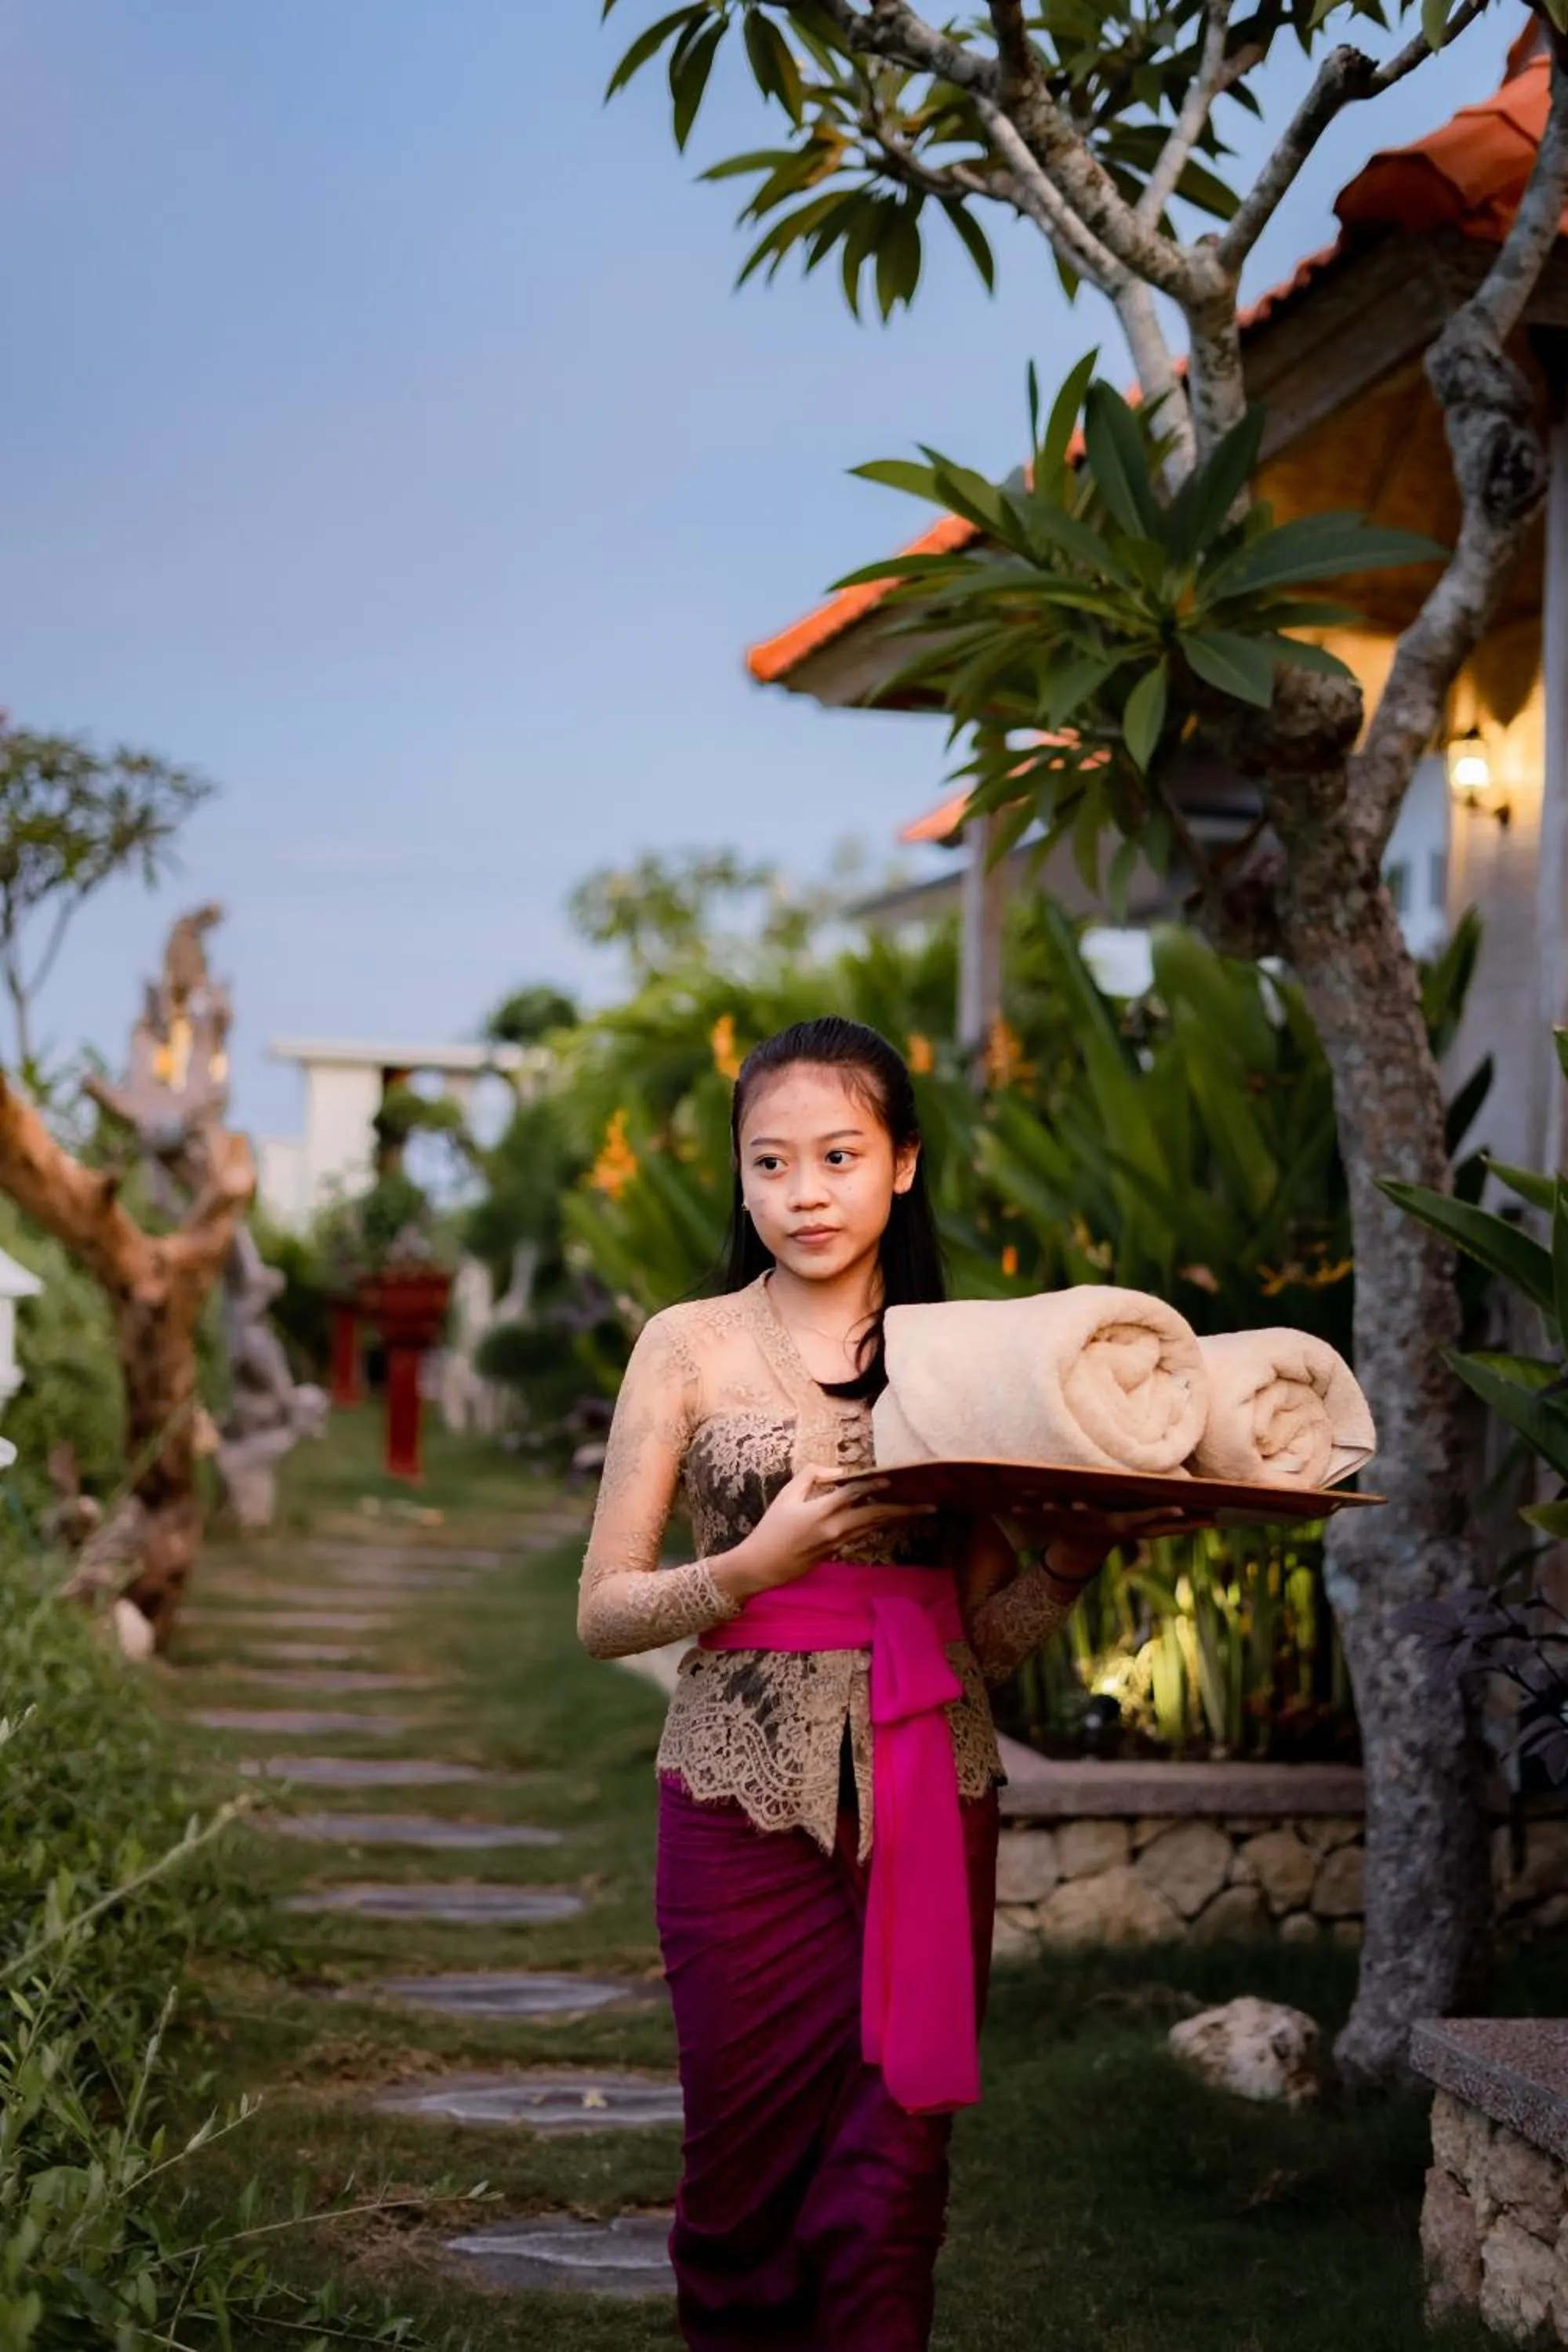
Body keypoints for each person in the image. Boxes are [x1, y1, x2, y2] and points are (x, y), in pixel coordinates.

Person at [578, 1016, 1184, 2351]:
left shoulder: (961, 1360)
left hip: (933, 1786)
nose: (805, 1192)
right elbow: (603, 1609)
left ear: (901, 1164)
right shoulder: (686, 1346)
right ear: (739, 1180)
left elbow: (987, 1641)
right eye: (771, 1162)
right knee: (740, 2172)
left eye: (839, 1156)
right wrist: (753, 1564)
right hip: (738, 1805)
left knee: (898, 2166)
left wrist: (1074, 1561)